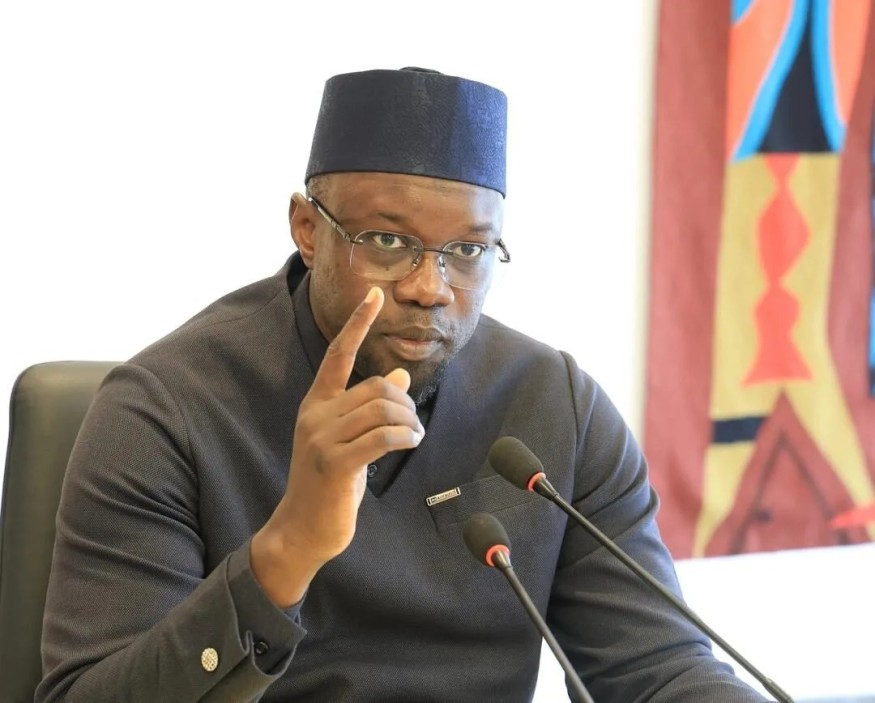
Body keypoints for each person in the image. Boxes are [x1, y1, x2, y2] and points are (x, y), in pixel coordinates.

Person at [37, 67, 769, 702]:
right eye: (388, 242)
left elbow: (658, 669)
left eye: (468, 250)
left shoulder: (555, 406)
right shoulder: (164, 408)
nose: (430, 286)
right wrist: (286, 550)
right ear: (307, 228)